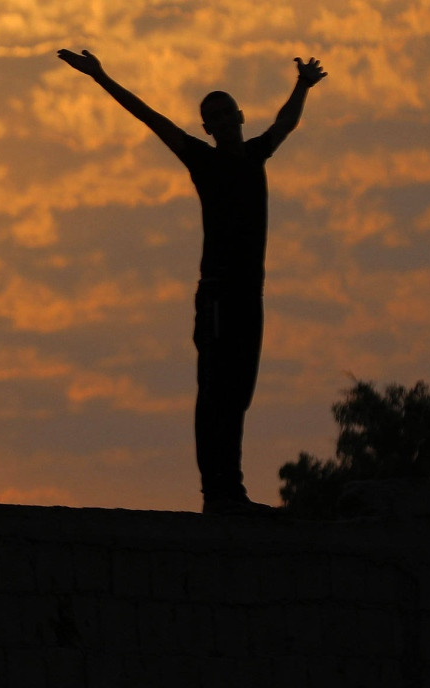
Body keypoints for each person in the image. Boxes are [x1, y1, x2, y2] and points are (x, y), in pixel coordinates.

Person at [57, 49, 327, 515]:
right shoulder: (203, 161)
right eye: (212, 117)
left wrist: (302, 86)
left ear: (240, 117)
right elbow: (149, 116)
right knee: (216, 390)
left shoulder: (256, 155)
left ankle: (232, 492)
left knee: (239, 392)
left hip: (248, 295)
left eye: (227, 113)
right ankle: (216, 494)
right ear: (206, 128)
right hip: (219, 293)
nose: (222, 121)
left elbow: (286, 123)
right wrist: (101, 76)